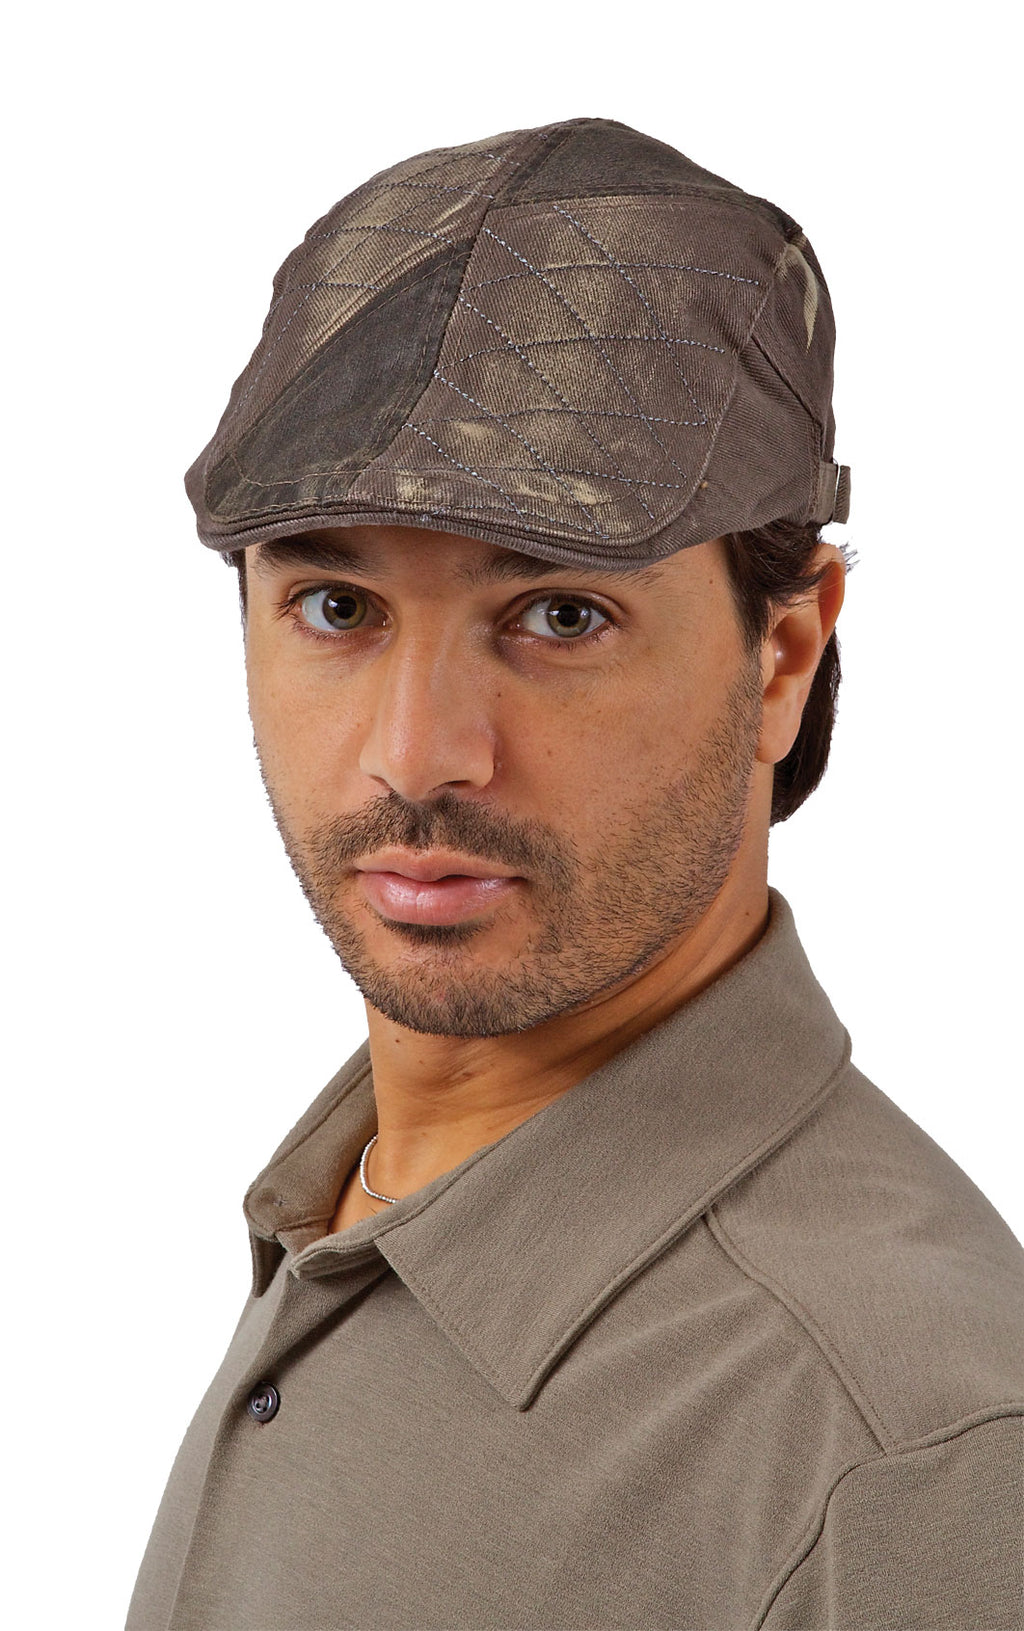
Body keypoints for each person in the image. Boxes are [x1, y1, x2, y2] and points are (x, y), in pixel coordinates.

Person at [127, 117, 1024, 1631]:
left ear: (782, 656)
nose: (417, 757)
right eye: (338, 605)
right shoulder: (350, 1204)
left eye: (558, 616)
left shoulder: (904, 1463)